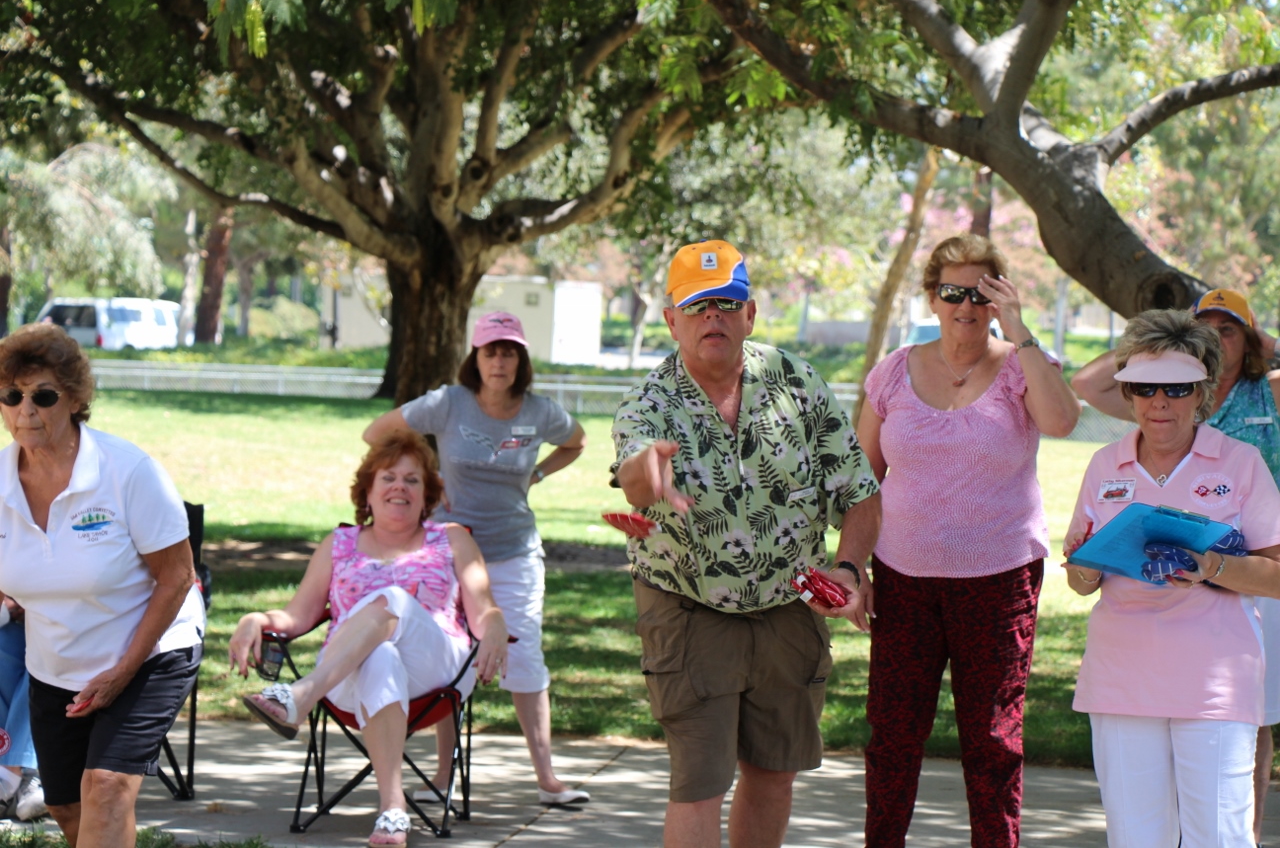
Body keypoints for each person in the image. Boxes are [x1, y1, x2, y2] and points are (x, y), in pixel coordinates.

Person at [611, 239, 882, 848]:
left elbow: (861, 492)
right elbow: (634, 476)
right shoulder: (650, 403)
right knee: (701, 781)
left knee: (773, 773)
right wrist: (648, 474)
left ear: (750, 314)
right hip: (689, 605)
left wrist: (849, 569)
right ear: (672, 319)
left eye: (727, 304)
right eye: (698, 304)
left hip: (789, 604)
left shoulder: (797, 382)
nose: (714, 317)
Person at [856, 234, 1080, 847]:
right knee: (894, 735)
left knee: (992, 741)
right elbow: (859, 482)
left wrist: (1021, 329)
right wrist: (852, 568)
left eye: (982, 293)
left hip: (1000, 581)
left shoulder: (1022, 365)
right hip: (904, 579)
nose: (966, 305)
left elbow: (1062, 421)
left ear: (999, 297)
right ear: (932, 298)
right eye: (953, 291)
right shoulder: (893, 373)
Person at [1064, 309, 1280, 847]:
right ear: (1130, 393)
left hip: (1214, 681)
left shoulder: (1241, 462)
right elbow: (1081, 582)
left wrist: (1211, 567)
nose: (1159, 402)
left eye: (1177, 388)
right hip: (1120, 679)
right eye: (1144, 387)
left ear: (1202, 391)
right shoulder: (1103, 465)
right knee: (1136, 838)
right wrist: (1084, 565)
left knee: (1219, 838)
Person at [231, 430, 508, 848]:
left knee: (393, 598)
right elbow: (296, 615)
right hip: (347, 678)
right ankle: (393, 810)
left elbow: (483, 608)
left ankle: (300, 697)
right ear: (368, 490)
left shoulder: (451, 539)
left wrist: (498, 625)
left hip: (437, 671)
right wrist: (256, 617)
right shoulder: (338, 544)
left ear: (427, 493)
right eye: (389, 477)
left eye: (412, 479)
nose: (400, 486)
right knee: (380, 657)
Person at [362, 311, 588, 806]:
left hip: (513, 552)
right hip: (450, 550)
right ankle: (444, 779)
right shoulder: (449, 404)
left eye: (509, 352)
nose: (500, 361)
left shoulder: (540, 412)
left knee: (525, 657)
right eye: (491, 351)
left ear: (521, 360)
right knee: (451, 662)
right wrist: (424, 476)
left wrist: (539, 475)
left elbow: (578, 441)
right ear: (476, 357)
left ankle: (548, 780)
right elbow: (376, 432)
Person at [0, 324, 203, 848]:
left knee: (107, 789)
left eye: (42, 396)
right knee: (69, 807)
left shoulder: (127, 471)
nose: (26, 410)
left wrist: (123, 671)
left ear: (73, 399)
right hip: (56, 664)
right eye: (11, 396)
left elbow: (177, 575)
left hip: (150, 651)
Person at [0, 602, 46, 821]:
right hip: (21, 626)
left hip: (75, 633)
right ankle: (24, 775)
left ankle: (10, 776)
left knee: (48, 653)